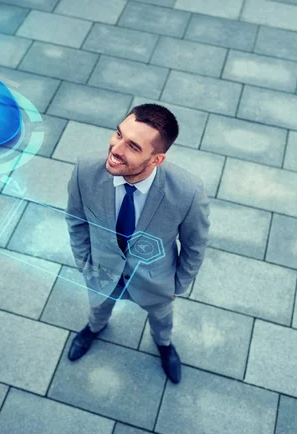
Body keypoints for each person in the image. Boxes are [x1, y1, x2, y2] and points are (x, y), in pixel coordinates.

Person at [65, 104, 210, 384]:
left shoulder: (189, 192)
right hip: (101, 271)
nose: (116, 149)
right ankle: (94, 328)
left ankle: (164, 345)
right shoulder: (86, 169)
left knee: (162, 319)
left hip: (156, 282)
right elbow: (76, 220)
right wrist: (85, 264)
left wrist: (178, 286)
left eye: (132, 146)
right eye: (118, 134)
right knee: (98, 306)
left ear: (156, 160)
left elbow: (195, 246)